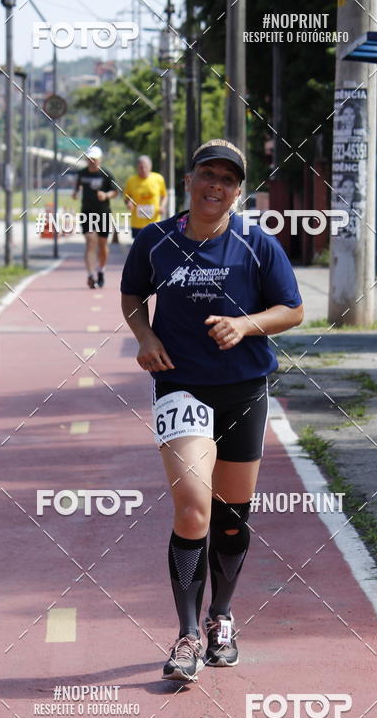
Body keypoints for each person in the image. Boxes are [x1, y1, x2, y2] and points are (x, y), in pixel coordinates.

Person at [120, 139, 304, 683]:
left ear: (238, 191)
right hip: (179, 387)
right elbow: (132, 298)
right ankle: (185, 634)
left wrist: (245, 325)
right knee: (193, 508)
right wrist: (145, 337)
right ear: (190, 179)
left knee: (230, 517)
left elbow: (292, 309)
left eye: (227, 178)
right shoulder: (153, 241)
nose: (215, 185)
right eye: (207, 174)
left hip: (243, 389)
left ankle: (221, 616)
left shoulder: (256, 245)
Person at [72, 146, 118, 288]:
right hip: (87, 213)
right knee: (91, 241)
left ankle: (101, 271)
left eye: (94, 159)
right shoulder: (81, 174)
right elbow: (77, 187)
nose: (92, 161)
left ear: (100, 160)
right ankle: (91, 275)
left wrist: (106, 195)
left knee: (103, 246)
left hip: (103, 213)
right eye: (89, 159)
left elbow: (115, 191)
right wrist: (75, 193)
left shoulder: (106, 174)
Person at [123, 155, 167, 237]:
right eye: (141, 167)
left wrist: (162, 206)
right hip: (137, 223)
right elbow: (126, 197)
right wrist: (128, 202)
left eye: (145, 167)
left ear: (150, 166)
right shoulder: (131, 180)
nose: (143, 169)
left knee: (154, 247)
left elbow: (164, 196)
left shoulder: (158, 178)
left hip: (154, 222)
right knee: (139, 248)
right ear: (137, 167)